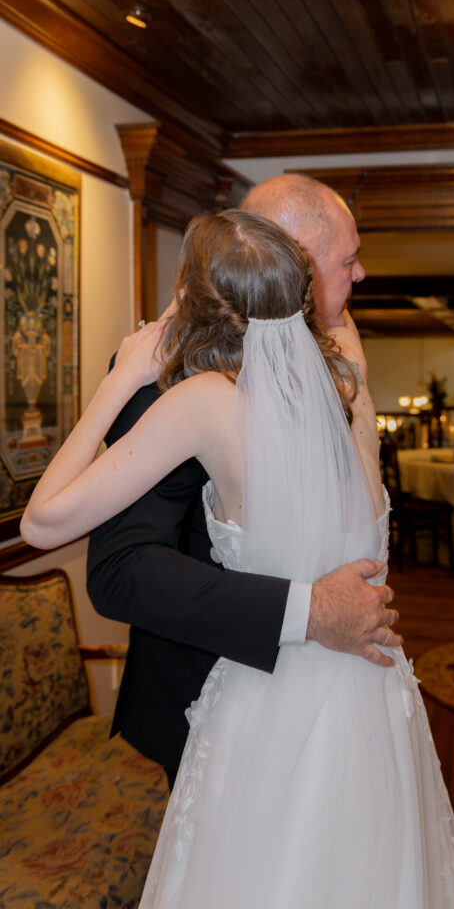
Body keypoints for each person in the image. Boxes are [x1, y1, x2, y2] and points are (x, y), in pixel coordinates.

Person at [22, 210, 454, 908]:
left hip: (266, 708)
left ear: (196, 305)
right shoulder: (346, 390)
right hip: (371, 695)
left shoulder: (203, 401)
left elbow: (42, 520)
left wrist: (122, 376)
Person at [84, 174, 399, 786]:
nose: (360, 275)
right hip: (213, 709)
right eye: (349, 259)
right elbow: (121, 570)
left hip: (334, 703)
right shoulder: (167, 375)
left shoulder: (331, 359)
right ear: (291, 264)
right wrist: (308, 613)